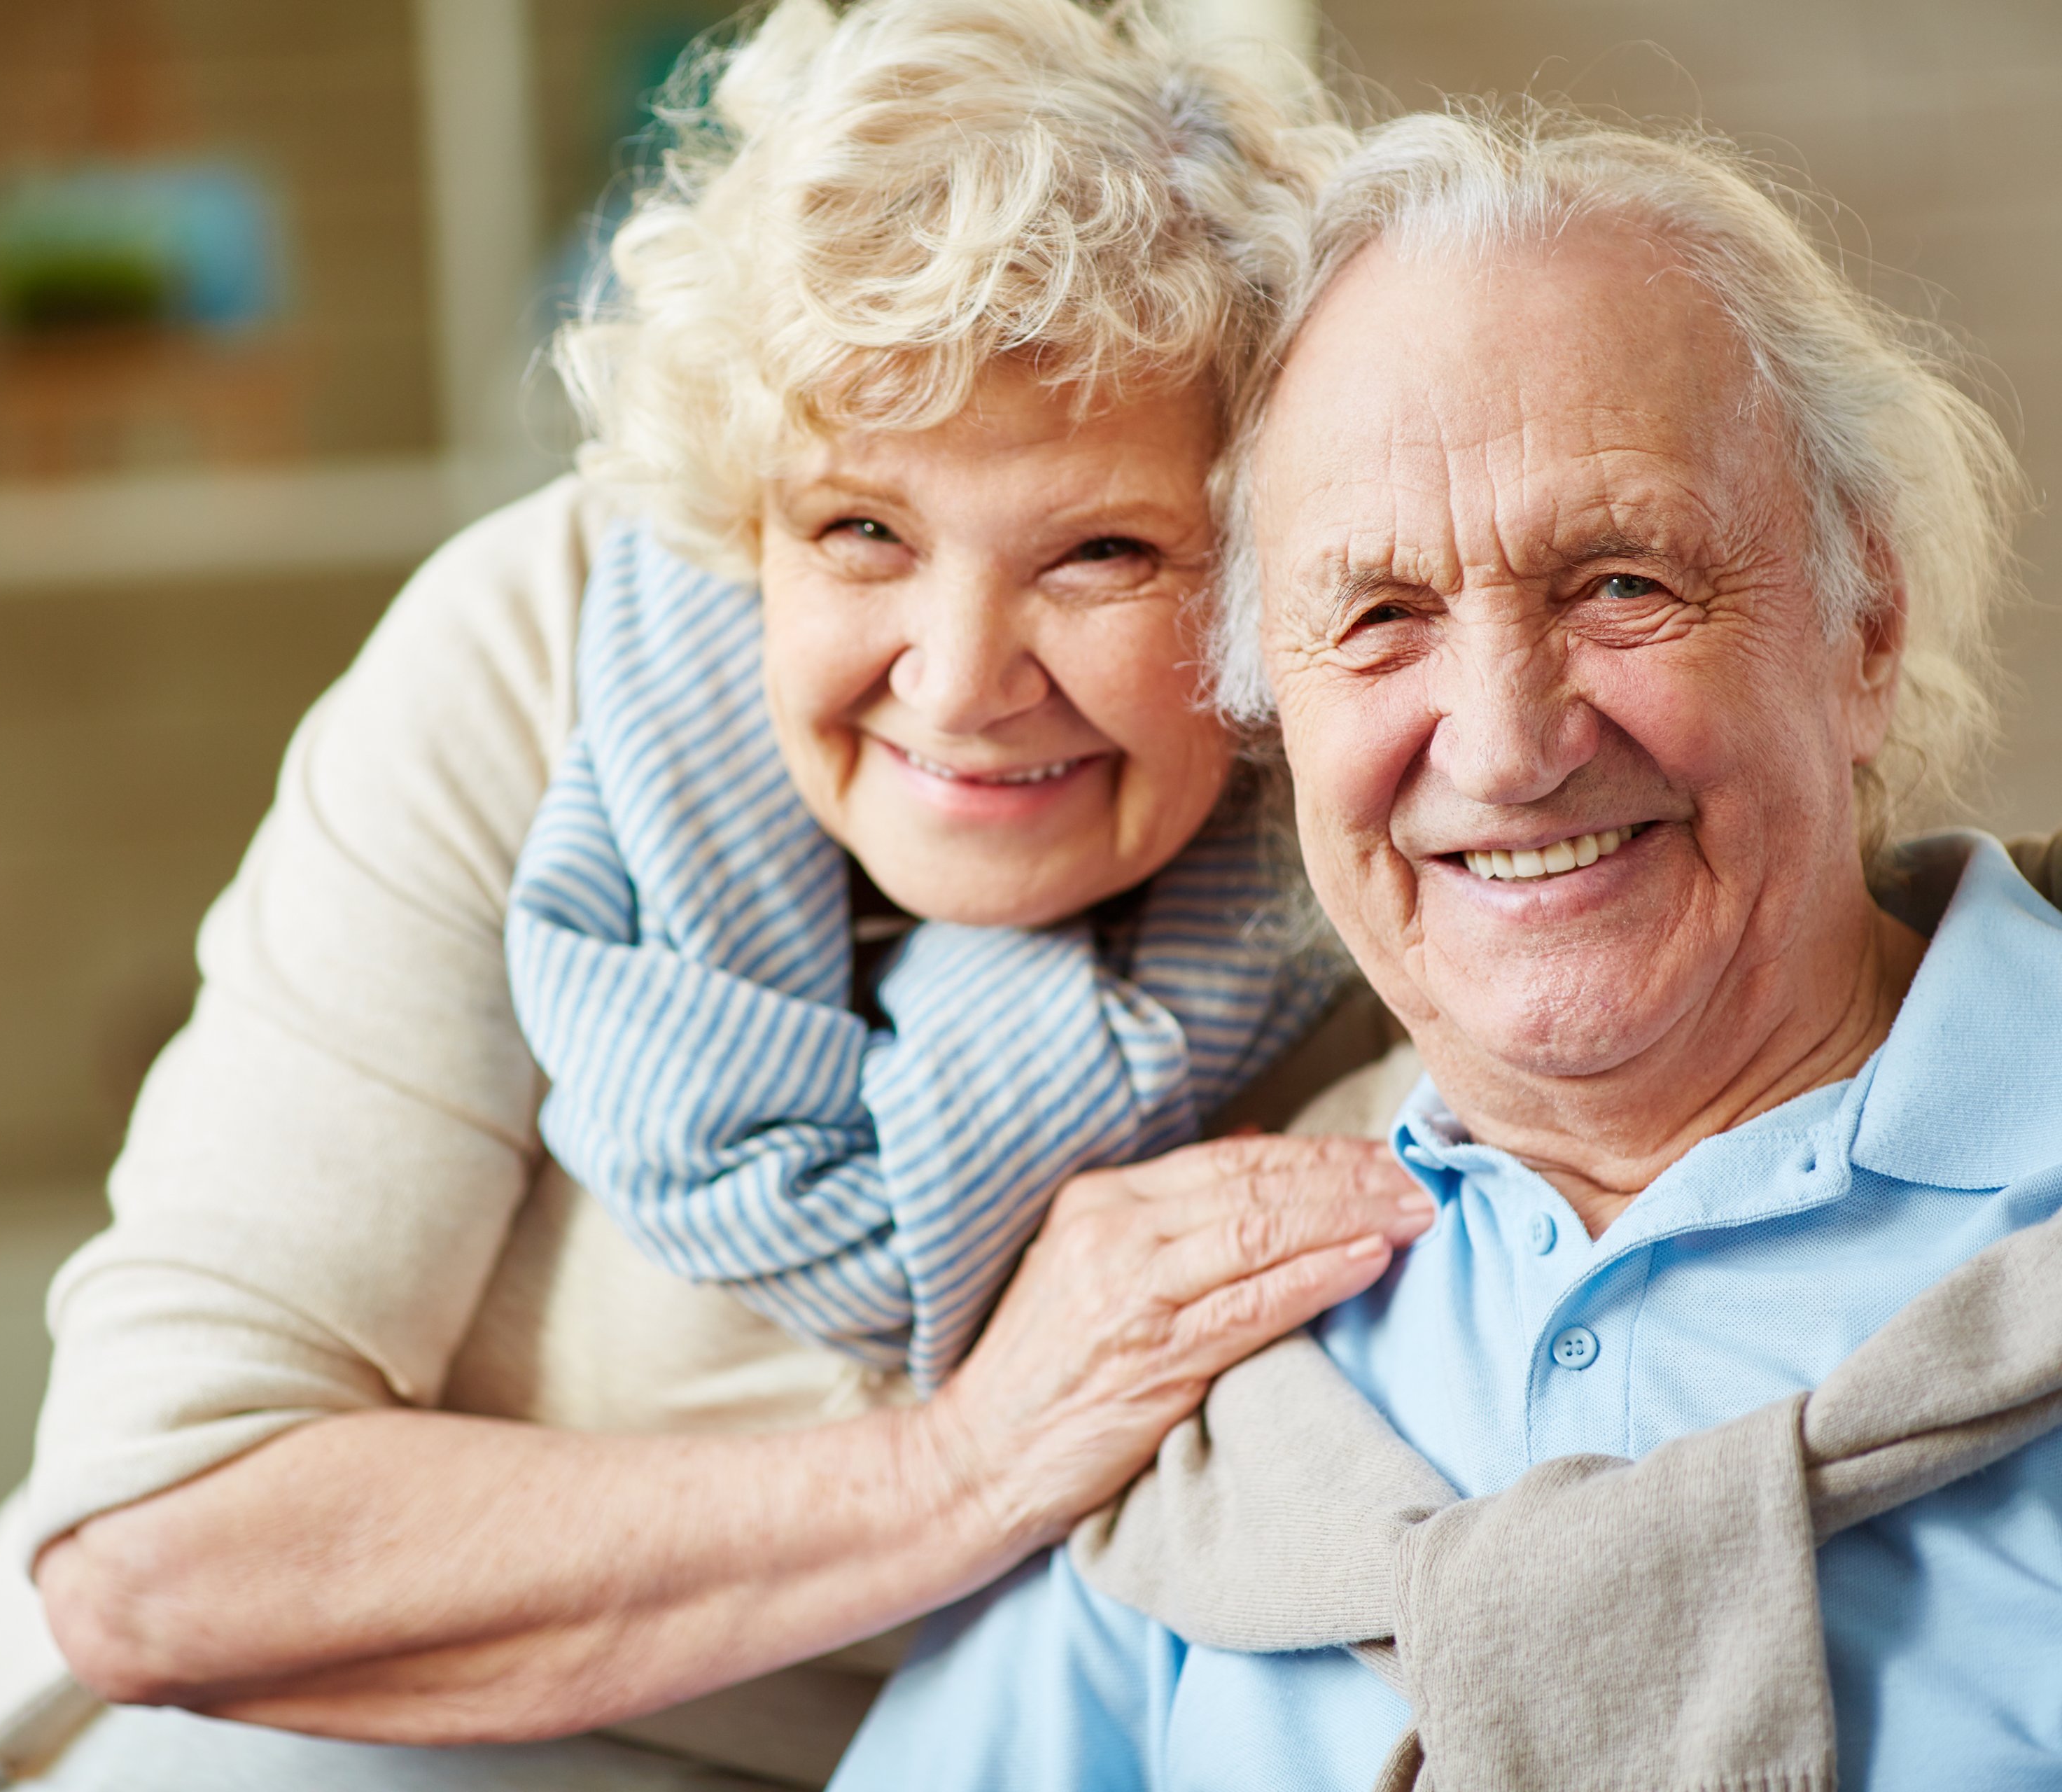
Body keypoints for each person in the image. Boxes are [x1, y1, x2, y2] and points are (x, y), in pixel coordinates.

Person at [0, 8, 1440, 1790]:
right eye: (861, 531)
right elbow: (161, 1546)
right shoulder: (536, 657)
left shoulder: (1384, 803)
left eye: (1101, 550)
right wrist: (966, 1462)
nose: (960, 681)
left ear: (1273, 566)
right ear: (748, 513)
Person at [830, 103, 2062, 1791]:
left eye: (1620, 582)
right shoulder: (1220, 1366)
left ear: (1864, 629)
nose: (1500, 743)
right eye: (1379, 617)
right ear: (1272, 706)